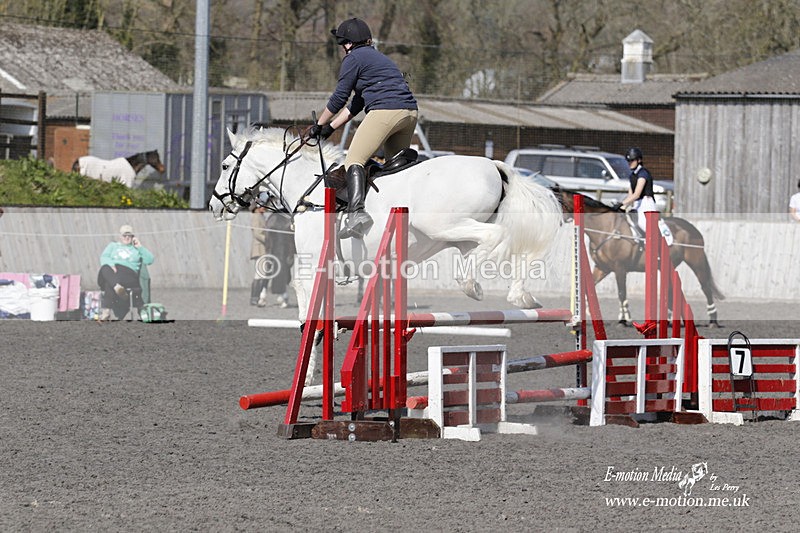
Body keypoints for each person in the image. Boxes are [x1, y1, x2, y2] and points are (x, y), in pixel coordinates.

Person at [308, 17, 418, 239]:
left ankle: (357, 213)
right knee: (395, 170)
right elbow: (357, 103)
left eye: (342, 44)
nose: (341, 49)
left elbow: (339, 98)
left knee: (354, 161)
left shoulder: (354, 58)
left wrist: (317, 125)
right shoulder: (380, 59)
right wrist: (330, 127)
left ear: (347, 43)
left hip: (385, 111)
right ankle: (404, 212)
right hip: (409, 112)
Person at [97, 224, 154, 320]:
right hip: (113, 271)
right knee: (105, 268)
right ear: (120, 236)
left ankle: (106, 311)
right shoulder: (113, 246)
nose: (127, 238)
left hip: (129, 274)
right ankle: (117, 287)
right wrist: (111, 264)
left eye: (129, 236)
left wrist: (140, 247)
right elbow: (104, 257)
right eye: (124, 235)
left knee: (109, 282)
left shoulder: (136, 249)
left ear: (133, 237)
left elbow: (150, 260)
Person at [249, 203, 269, 306]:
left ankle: (257, 297)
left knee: (261, 273)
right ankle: (255, 297)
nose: (264, 208)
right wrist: (269, 240)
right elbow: (257, 233)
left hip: (262, 248)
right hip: (259, 247)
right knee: (260, 273)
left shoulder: (261, 216)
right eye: (262, 206)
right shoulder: (256, 216)